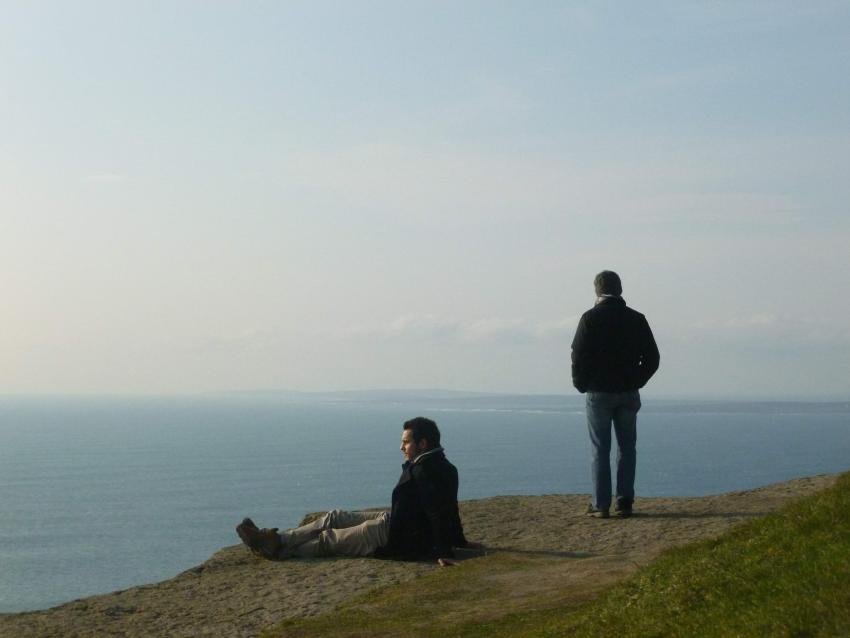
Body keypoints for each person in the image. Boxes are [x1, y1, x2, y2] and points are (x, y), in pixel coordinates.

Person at [236, 417, 469, 566]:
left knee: (329, 540)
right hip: (393, 521)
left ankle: (277, 550)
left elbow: (437, 512)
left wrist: (445, 550)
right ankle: (277, 539)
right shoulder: (445, 467)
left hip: (393, 535)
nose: (401, 447)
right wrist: (460, 541)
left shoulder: (424, 471)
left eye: (406, 442)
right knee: (335, 517)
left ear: (423, 444)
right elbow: (451, 508)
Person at [571, 271, 660, 518]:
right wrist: (637, 380)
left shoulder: (589, 319)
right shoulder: (637, 318)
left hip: (598, 393)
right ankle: (624, 501)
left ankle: (601, 505)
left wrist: (581, 384)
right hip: (628, 391)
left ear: (597, 290)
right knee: (627, 446)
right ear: (620, 289)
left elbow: (578, 356)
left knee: (600, 449)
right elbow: (653, 358)